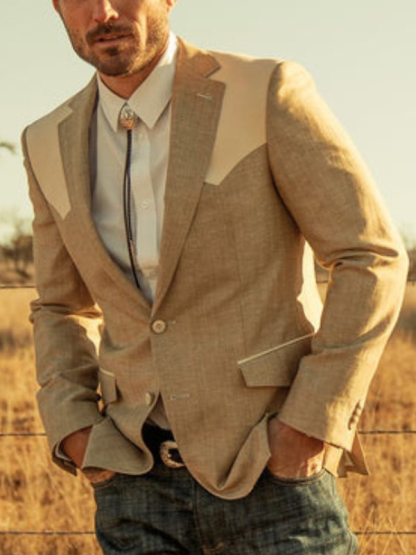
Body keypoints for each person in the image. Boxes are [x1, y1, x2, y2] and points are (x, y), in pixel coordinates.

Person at [22, 0, 409, 553]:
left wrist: (309, 424)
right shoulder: (44, 141)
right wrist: (76, 429)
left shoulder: (265, 91)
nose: (102, 12)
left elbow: (369, 255)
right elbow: (61, 306)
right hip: (133, 483)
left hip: (272, 473)